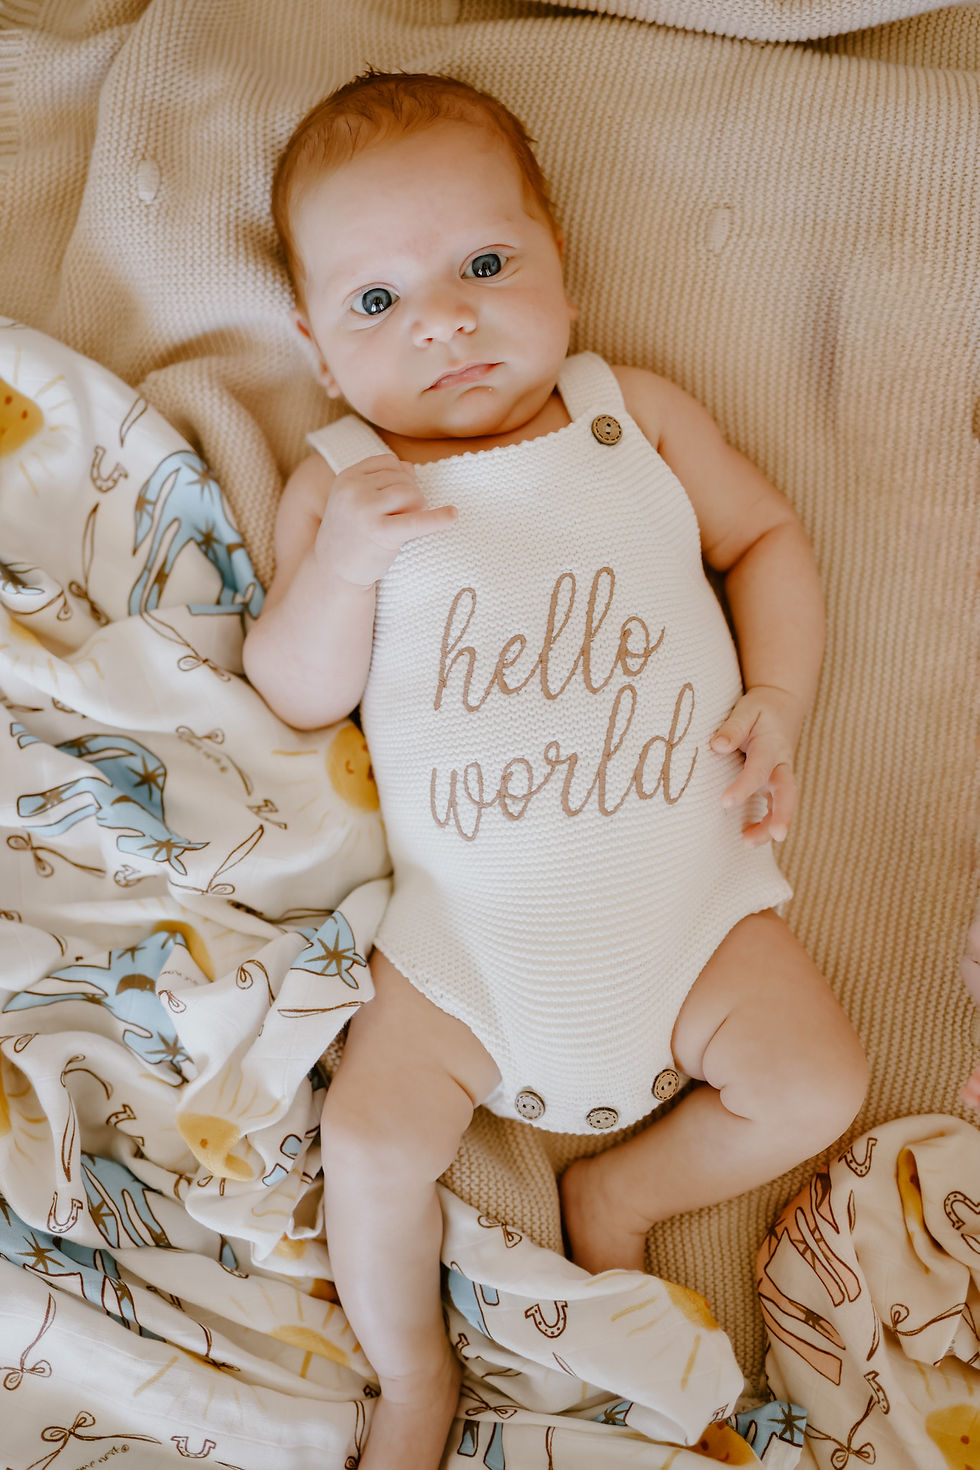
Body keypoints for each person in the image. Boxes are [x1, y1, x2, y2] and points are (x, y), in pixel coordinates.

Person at [243, 69, 868, 1470]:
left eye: (484, 265)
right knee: (374, 1146)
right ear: (319, 351)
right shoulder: (342, 480)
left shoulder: (628, 417)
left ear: (561, 265)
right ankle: (415, 1378)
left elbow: (766, 539)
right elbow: (294, 690)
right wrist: (343, 565)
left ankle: (624, 1197)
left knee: (818, 1081)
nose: (445, 320)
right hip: (465, 951)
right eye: (378, 301)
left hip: (692, 916)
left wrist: (778, 695)